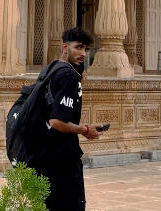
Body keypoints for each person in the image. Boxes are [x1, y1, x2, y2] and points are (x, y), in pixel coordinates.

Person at [32, 27, 99, 210]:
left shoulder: (53, 68)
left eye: (85, 49)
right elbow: (57, 121)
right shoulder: (67, 75)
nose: (83, 53)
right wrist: (85, 130)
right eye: (78, 47)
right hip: (61, 159)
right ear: (64, 47)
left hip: (43, 155)